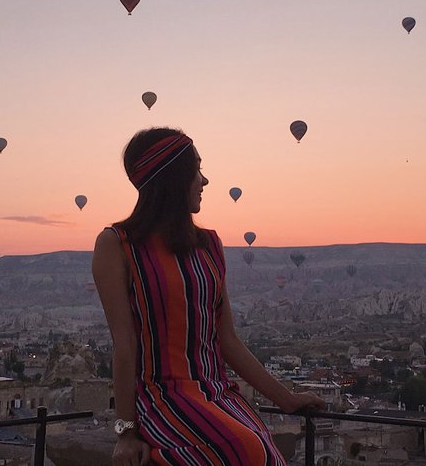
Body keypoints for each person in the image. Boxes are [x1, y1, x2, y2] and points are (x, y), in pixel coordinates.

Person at [93, 127, 325, 466]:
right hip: (162, 398)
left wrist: (286, 399)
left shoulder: (208, 245)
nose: (204, 181)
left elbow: (227, 340)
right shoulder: (117, 244)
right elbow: (124, 345)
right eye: (196, 170)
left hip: (216, 392)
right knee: (247, 451)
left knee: (264, 452)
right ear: (172, 178)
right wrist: (126, 432)